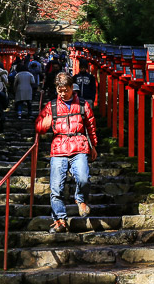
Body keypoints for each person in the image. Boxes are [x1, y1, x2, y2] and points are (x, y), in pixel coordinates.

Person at [35, 72, 99, 233]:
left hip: (79, 145)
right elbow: (38, 127)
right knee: (56, 187)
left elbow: (91, 126)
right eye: (60, 90)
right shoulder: (51, 106)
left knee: (84, 178)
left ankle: (80, 199)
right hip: (59, 147)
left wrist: (94, 146)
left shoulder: (83, 105)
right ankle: (59, 220)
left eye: (66, 90)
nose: (63, 93)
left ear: (72, 88)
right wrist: (44, 124)